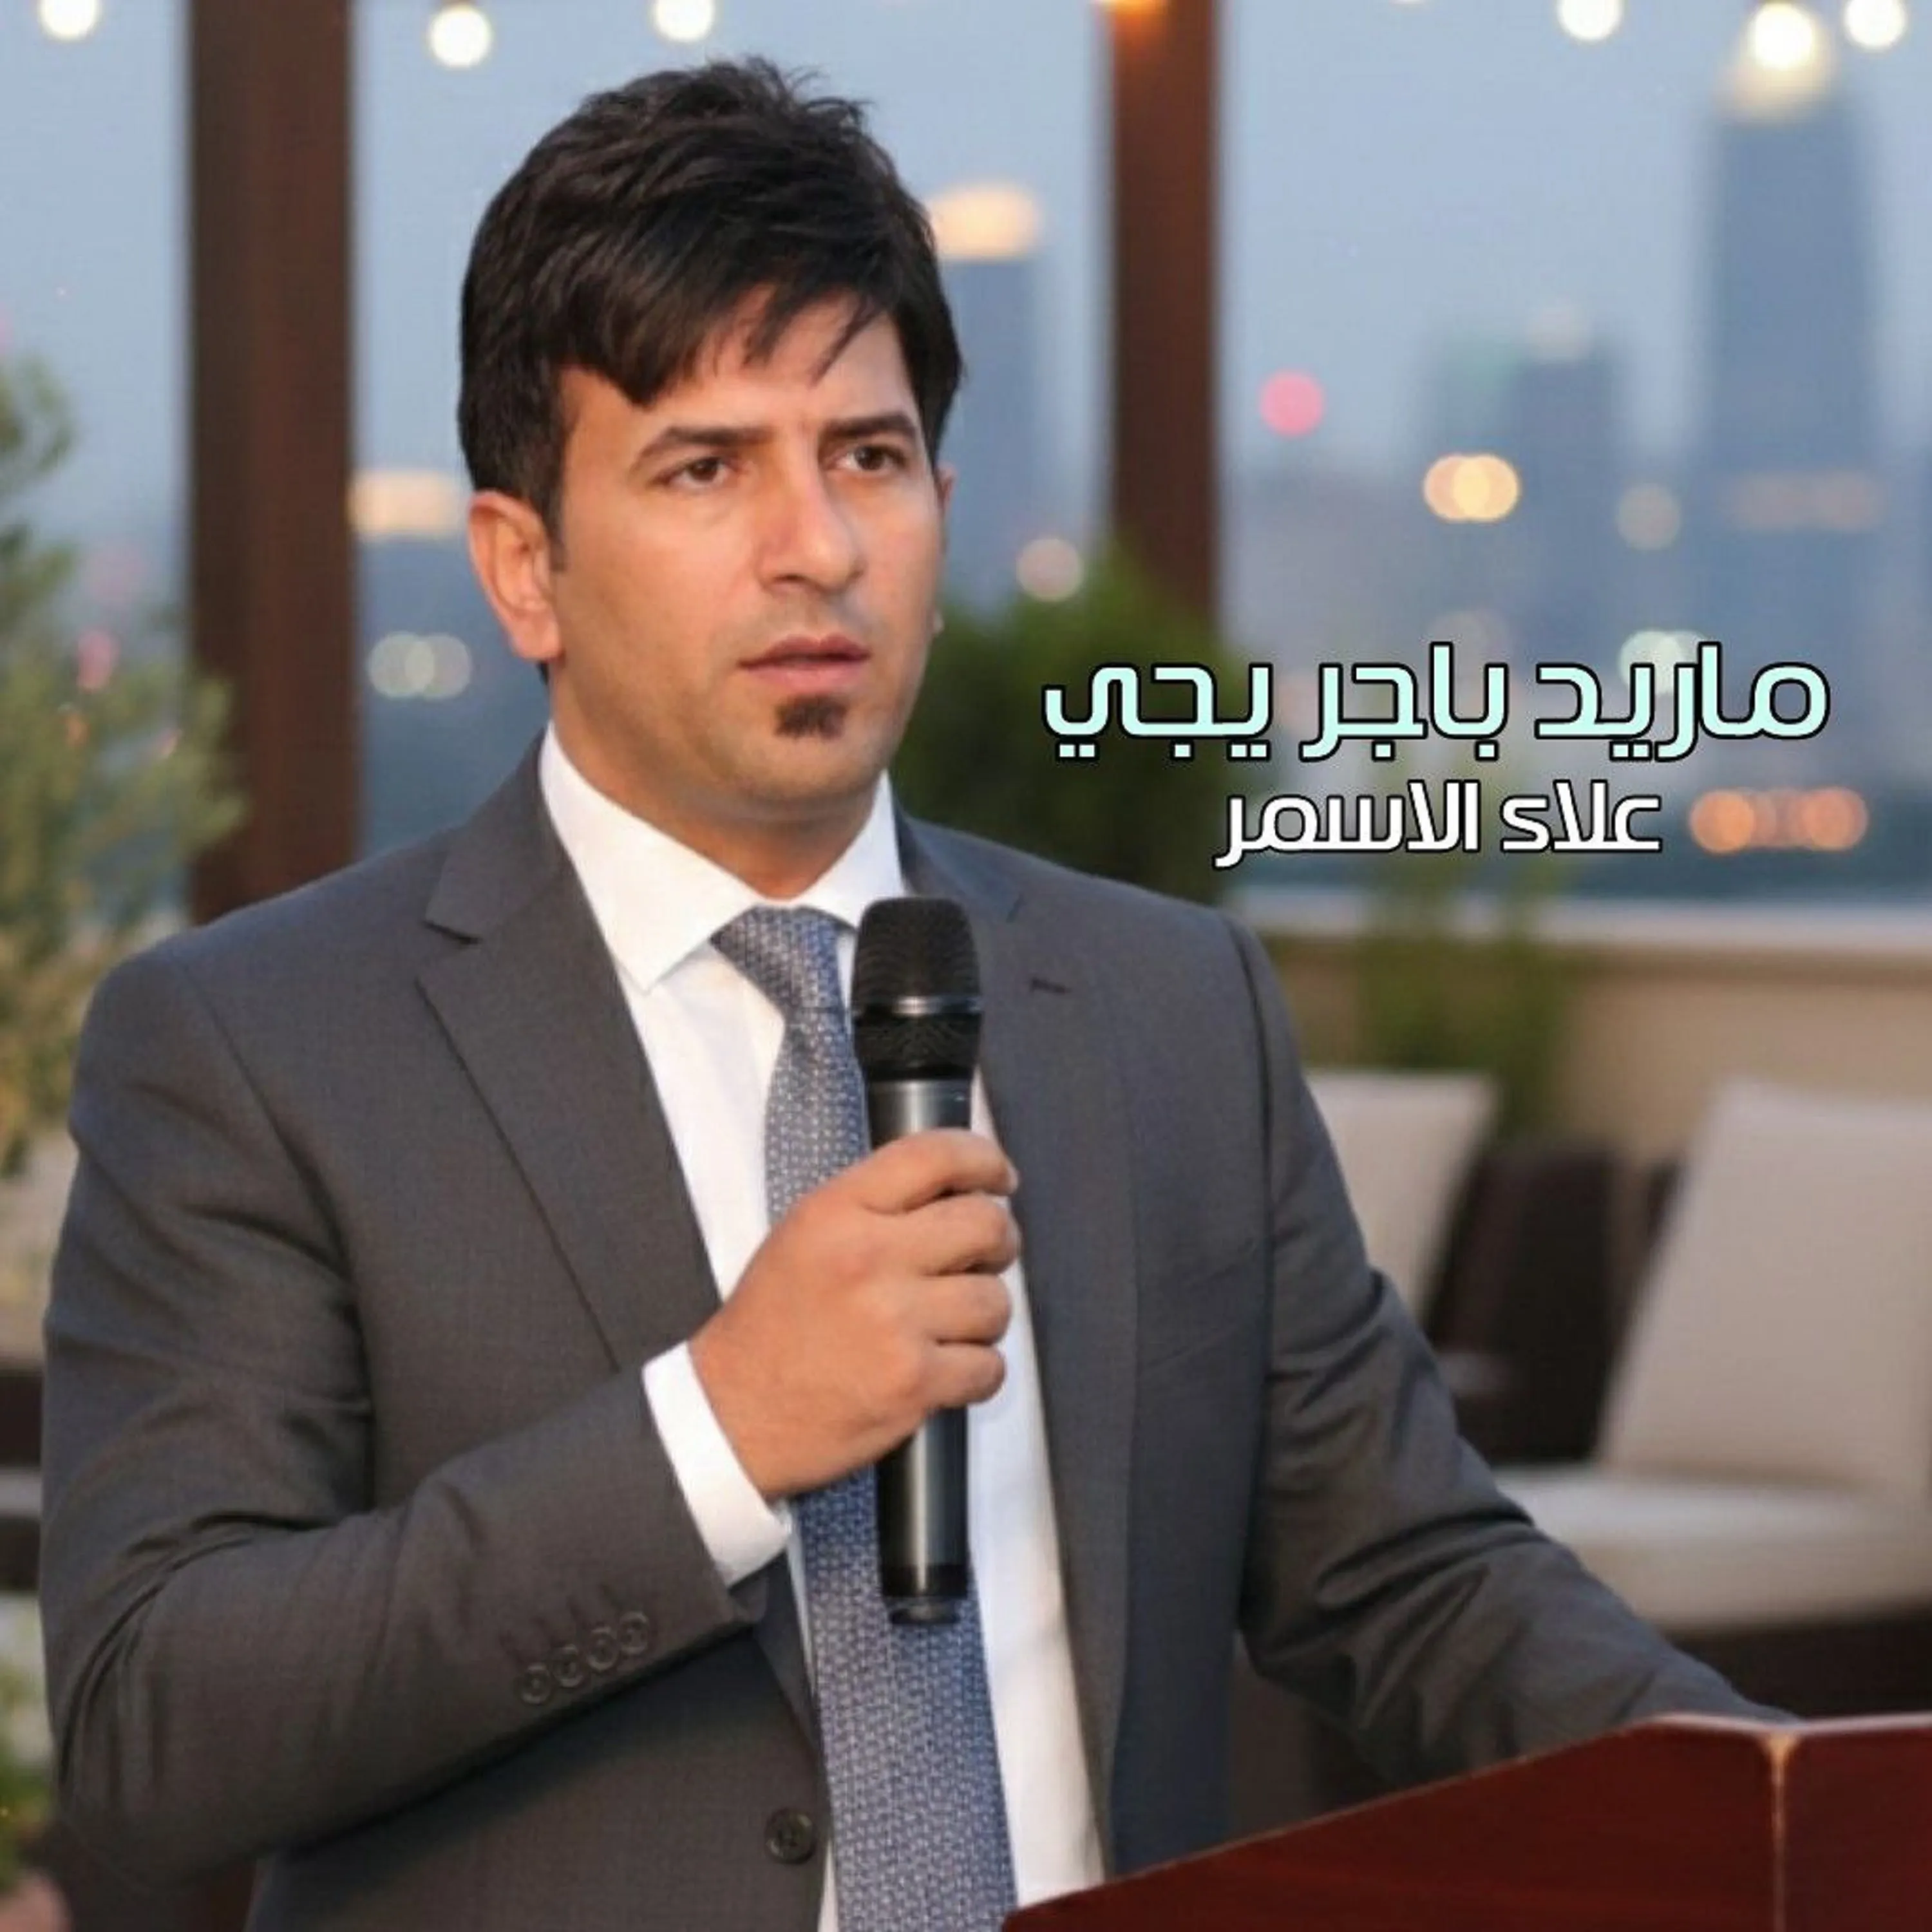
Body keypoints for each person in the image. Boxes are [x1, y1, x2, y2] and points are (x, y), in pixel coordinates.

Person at [40, 58, 1765, 1932]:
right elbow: (157, 1727)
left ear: (940, 507)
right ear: (524, 569)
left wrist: (1800, 1807)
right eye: (707, 468)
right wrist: (716, 1431)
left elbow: (1411, 1582)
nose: (819, 547)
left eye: (865, 458)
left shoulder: (1164, 1004)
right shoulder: (260, 1045)